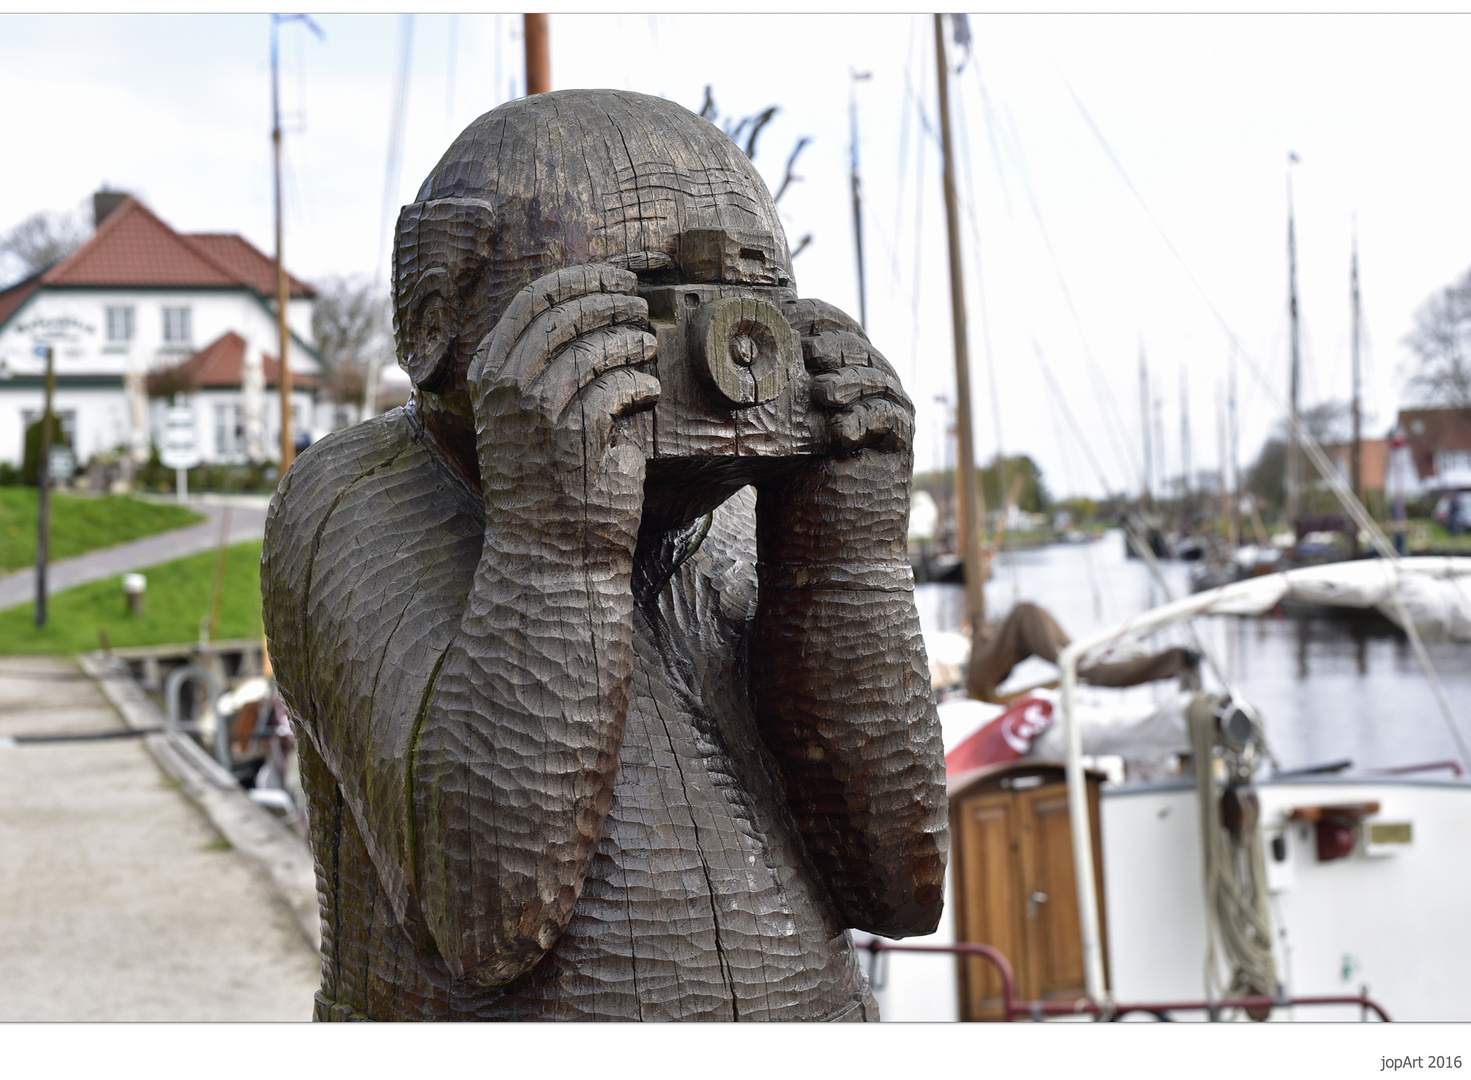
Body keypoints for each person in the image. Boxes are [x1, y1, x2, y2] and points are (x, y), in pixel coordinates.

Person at [261, 90, 947, 1022]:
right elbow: (484, 921)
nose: (718, 334)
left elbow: (897, 888)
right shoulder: (353, 496)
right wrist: (556, 546)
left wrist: (845, 559)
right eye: (648, 292)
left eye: (754, 290)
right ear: (438, 312)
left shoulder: (748, 517)